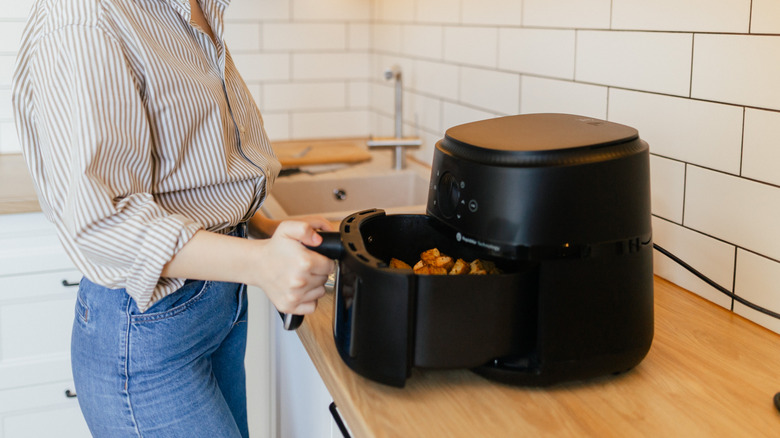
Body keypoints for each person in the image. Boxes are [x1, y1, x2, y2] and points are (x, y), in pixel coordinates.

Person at [12, 0, 335, 436]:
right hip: (147, 323)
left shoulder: (190, 7)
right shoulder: (85, 16)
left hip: (217, 308)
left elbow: (196, 172)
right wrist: (260, 263)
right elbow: (102, 221)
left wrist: (263, 231)